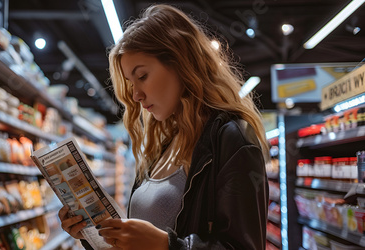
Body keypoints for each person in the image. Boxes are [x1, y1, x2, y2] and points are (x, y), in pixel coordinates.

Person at [59, 4, 269, 249]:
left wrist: (168, 245)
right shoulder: (163, 145)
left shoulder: (233, 139)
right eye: (130, 81)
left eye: (143, 76)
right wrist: (93, 235)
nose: (135, 95)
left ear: (180, 63)